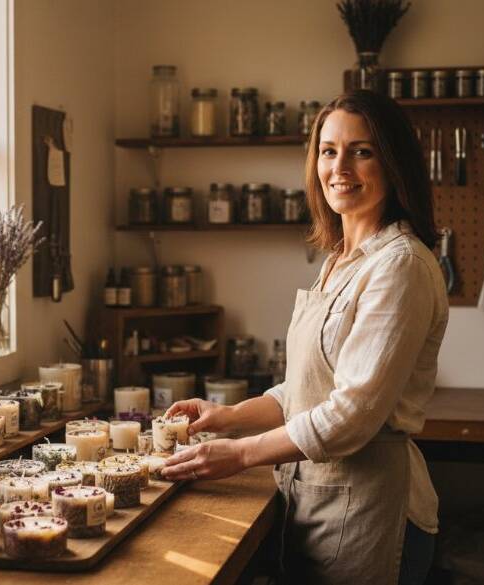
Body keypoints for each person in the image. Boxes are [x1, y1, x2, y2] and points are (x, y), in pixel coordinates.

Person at [161, 90, 449, 585]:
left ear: (393, 162)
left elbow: (351, 415)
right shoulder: (339, 260)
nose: (341, 167)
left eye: (362, 151)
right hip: (317, 501)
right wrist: (229, 417)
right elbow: (306, 389)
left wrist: (240, 453)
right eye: (328, 150)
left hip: (367, 513)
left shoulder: (400, 264)